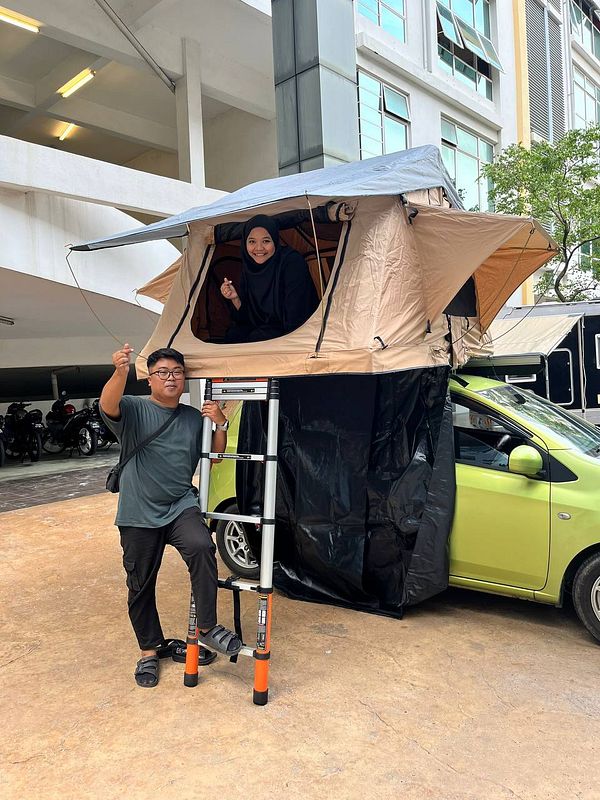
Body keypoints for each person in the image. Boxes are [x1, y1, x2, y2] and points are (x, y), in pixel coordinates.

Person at [99, 344, 242, 688]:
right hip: (138, 512)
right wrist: (120, 372)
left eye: (177, 372)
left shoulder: (193, 417)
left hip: (180, 505)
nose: (171, 378)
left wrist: (221, 424)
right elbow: (107, 405)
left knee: (202, 547)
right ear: (150, 379)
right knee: (140, 584)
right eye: (162, 372)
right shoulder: (134, 408)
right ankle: (149, 651)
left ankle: (206, 627)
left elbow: (214, 456)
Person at [220, 214, 318, 343]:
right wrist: (235, 298)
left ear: (275, 241)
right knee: (233, 335)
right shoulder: (249, 267)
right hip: (265, 329)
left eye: (266, 241)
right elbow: (248, 320)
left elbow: (297, 316)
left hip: (296, 330)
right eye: (252, 241)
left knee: (256, 337)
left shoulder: (292, 262)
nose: (259, 248)